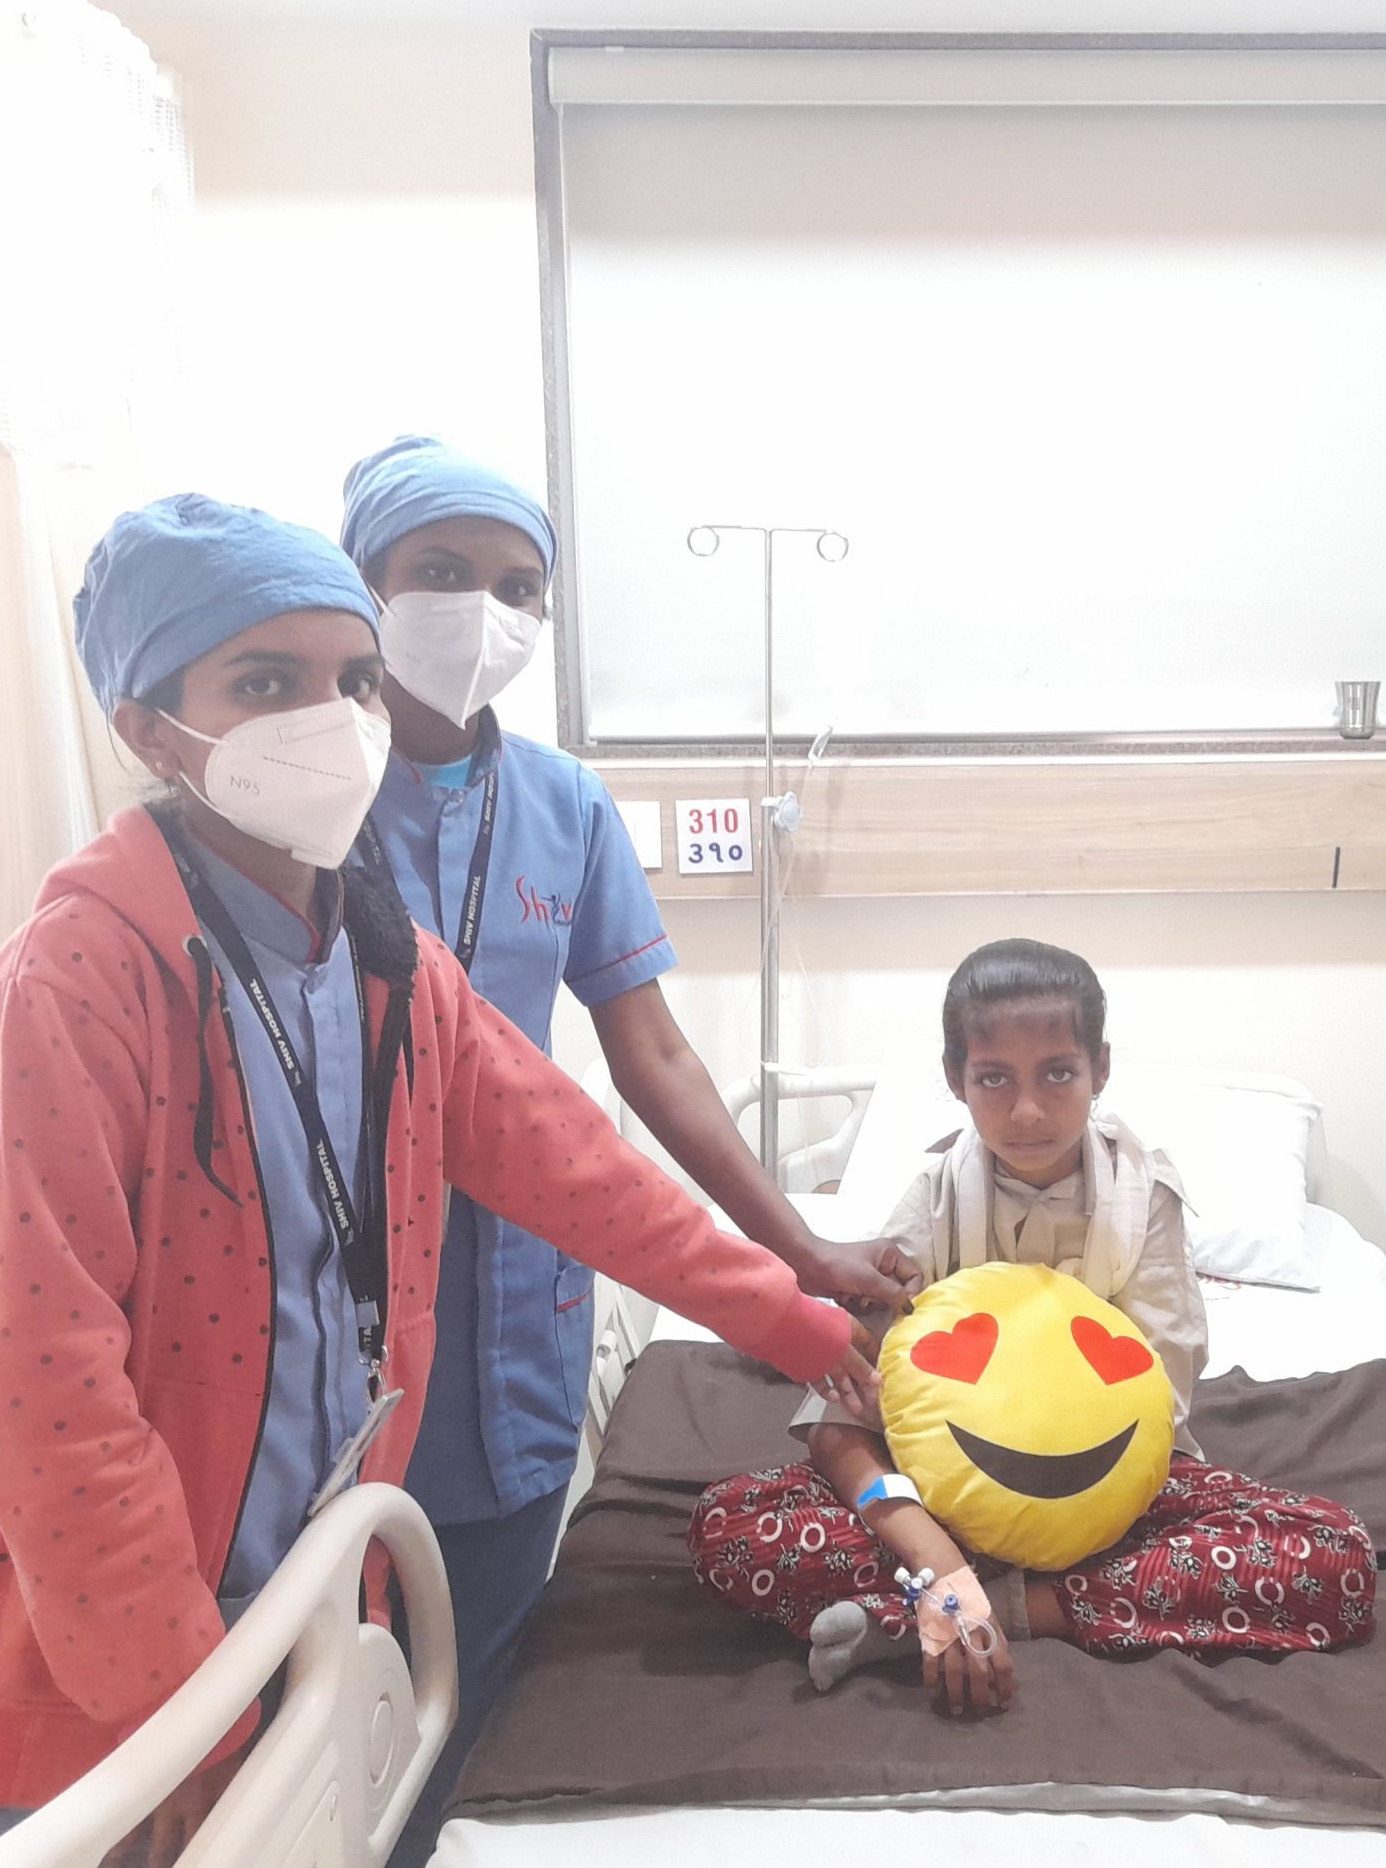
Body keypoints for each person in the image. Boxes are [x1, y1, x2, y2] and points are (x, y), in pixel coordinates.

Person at [0, 495, 876, 1867]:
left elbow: (579, 1170)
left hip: (314, 1595)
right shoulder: (77, 981)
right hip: (107, 1662)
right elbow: (43, 1390)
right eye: (266, 683)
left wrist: (794, 1319)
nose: (332, 719)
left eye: (354, 680)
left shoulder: (386, 963)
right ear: (147, 728)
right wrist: (174, 1712)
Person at [337, 434, 916, 1857]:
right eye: (441, 572)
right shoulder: (302, 804)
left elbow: (652, 1056)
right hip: (341, 1285)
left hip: (520, 1289)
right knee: (327, 1678)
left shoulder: (565, 806)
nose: (481, 611)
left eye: (516, 586)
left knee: (477, 1677)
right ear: (363, 585)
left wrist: (799, 1249)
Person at [688, 939, 1377, 1716]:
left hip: (1113, 1505)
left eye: (1057, 1074)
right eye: (994, 1078)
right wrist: (940, 1561)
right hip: (940, 1504)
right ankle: (976, 1600)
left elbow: (1160, 1409)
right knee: (729, 1527)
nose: (1026, 1110)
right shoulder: (931, 1208)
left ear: (1099, 1070)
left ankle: (971, 1615)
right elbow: (837, 1421)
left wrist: (971, 1582)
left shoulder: (1145, 1203)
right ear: (956, 1078)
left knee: (1334, 1558)